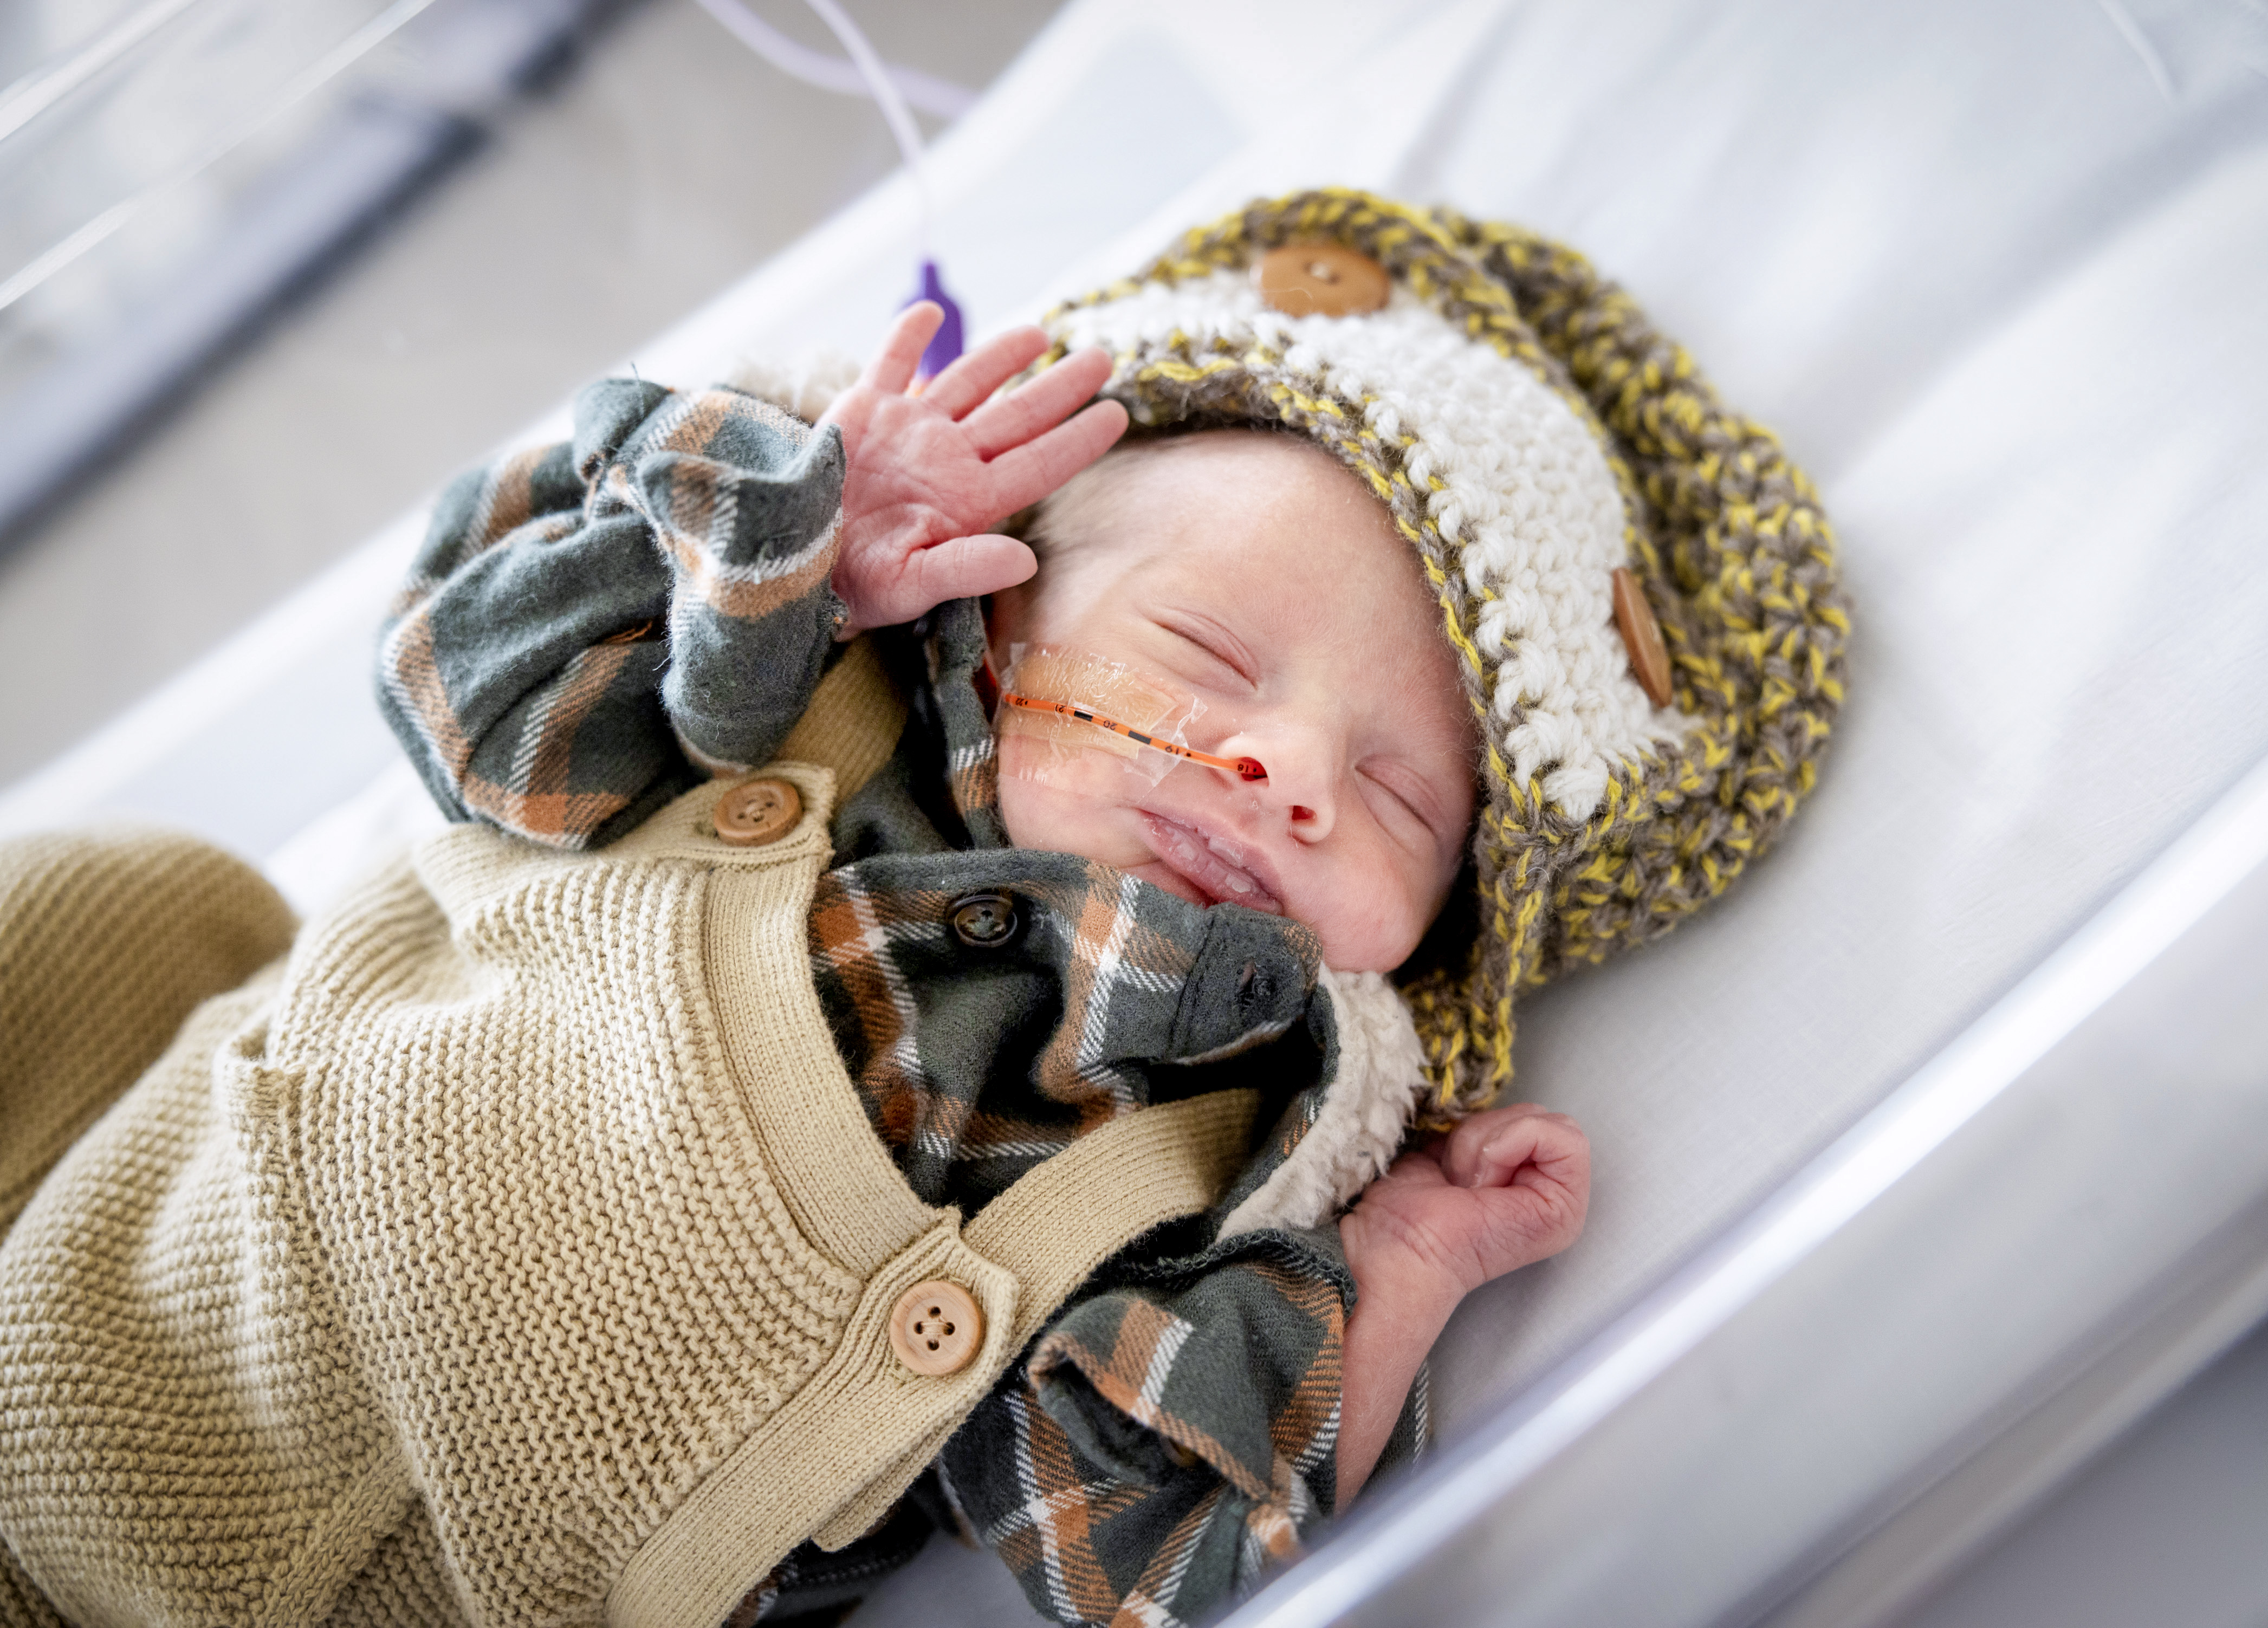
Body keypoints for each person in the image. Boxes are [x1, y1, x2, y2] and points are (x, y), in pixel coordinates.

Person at [0, 190, 1846, 1628]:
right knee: (111, 908)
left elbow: (1145, 1552)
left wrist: (1403, 1273)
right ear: (1000, 599)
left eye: (1394, 798)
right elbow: (453, 685)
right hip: (117, 1287)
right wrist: (770, 543)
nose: (1285, 772)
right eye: (1205, 653)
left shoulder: (1210, 1125)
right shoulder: (784, 682)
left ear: (1439, 928)